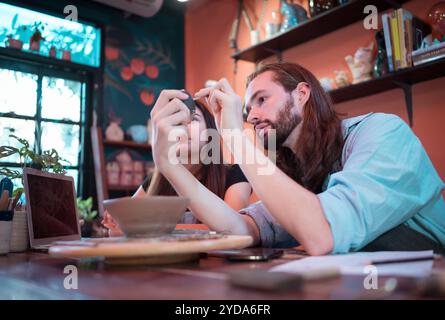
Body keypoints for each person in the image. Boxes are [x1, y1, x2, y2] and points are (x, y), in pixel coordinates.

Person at [150, 62, 445, 255]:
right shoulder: (294, 171)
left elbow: (323, 234)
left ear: (302, 94)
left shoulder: (382, 131)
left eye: (262, 100)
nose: (251, 116)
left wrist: (233, 136)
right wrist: (168, 165)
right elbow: (241, 229)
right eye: (247, 108)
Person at [103, 100, 252, 236]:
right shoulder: (157, 178)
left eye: (193, 119)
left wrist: (153, 230)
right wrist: (116, 220)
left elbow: (234, 231)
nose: (184, 126)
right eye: (177, 121)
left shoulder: (235, 174)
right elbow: (117, 231)